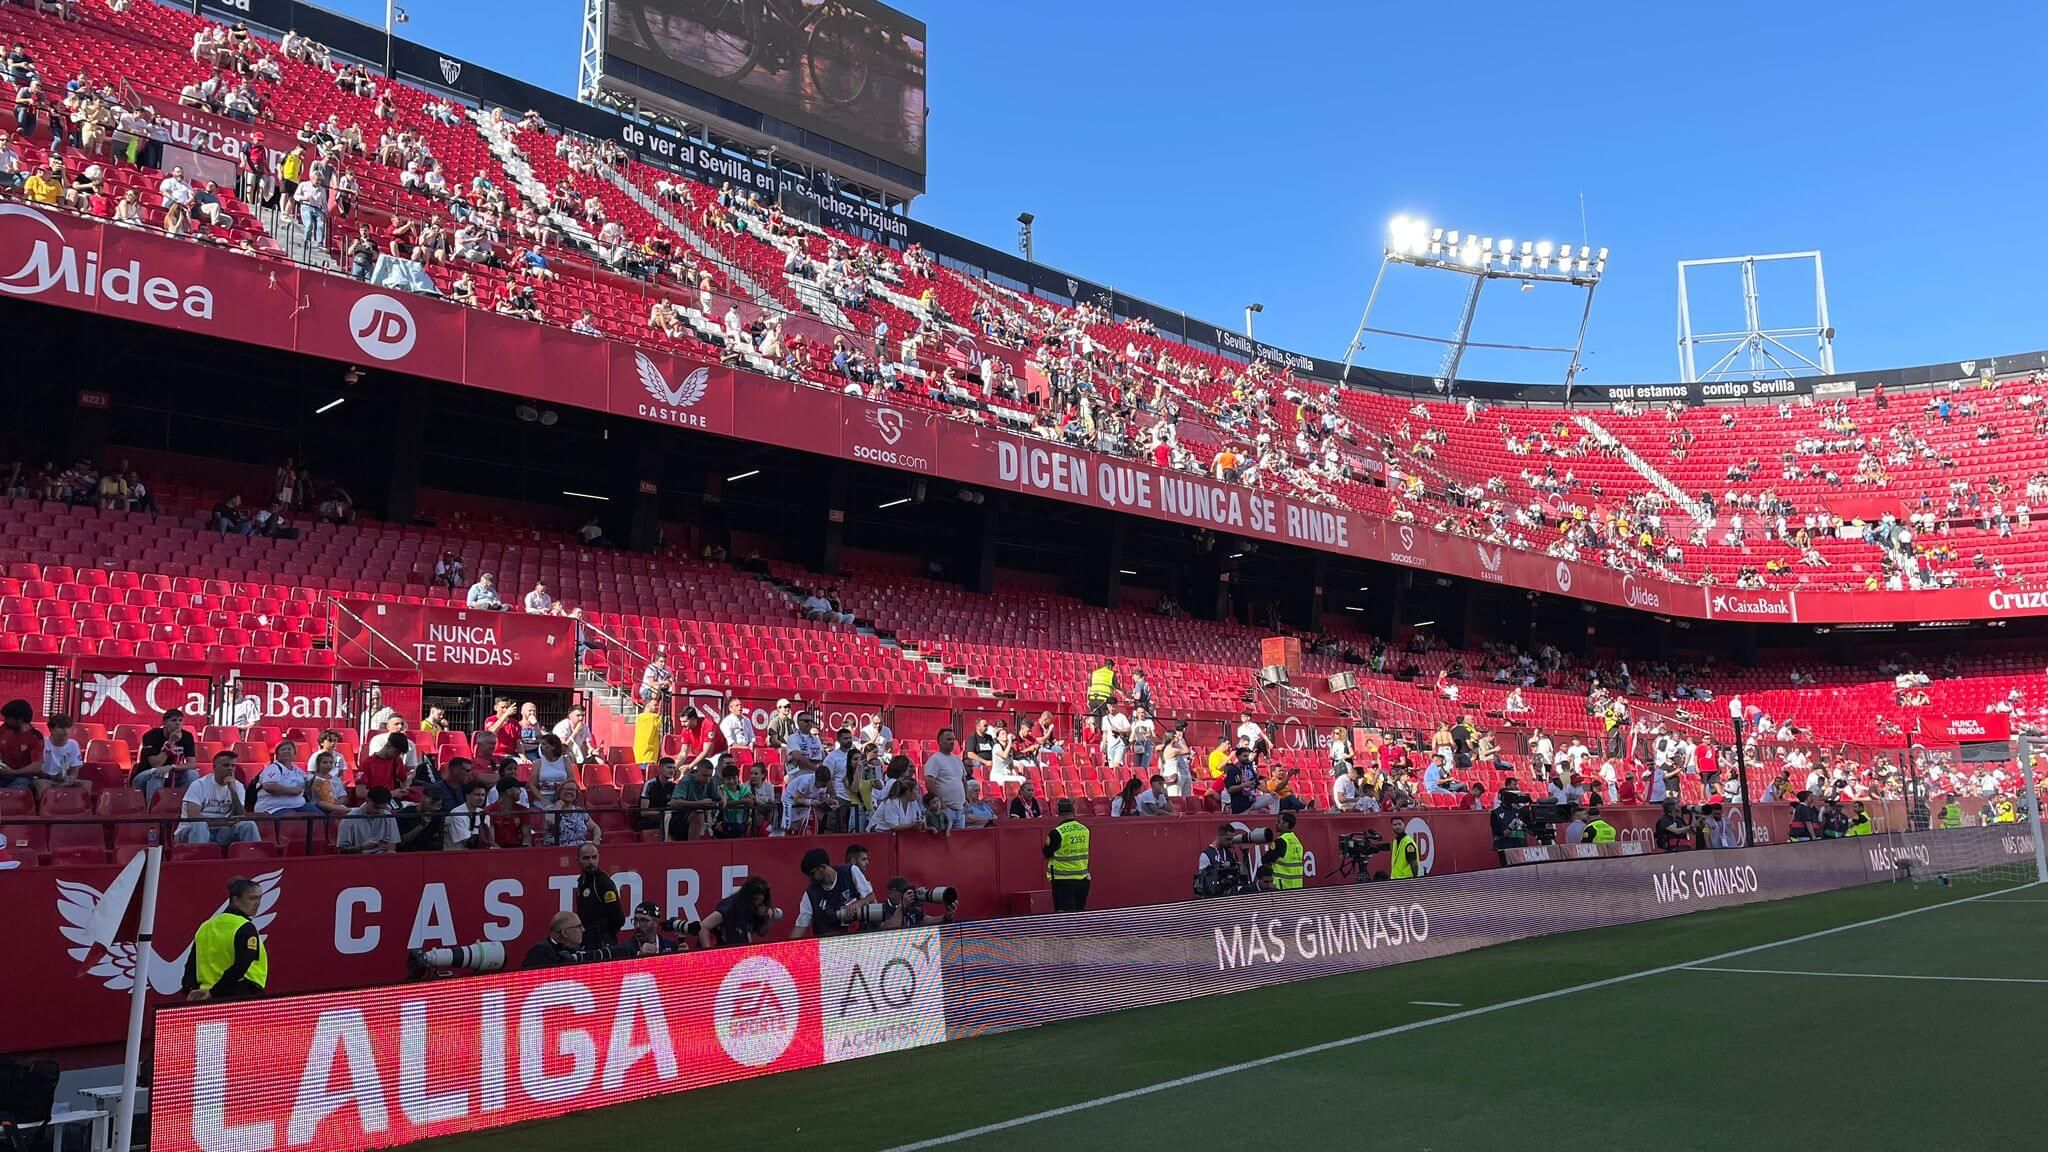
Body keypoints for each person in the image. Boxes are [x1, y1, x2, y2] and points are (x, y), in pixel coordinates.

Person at [181, 877, 269, 1001]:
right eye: (252, 898)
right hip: (240, 993)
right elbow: (241, 965)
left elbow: (191, 964)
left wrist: (190, 989)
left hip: (205, 995)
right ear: (235, 900)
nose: (258, 903)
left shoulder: (206, 925)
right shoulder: (245, 927)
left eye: (259, 898)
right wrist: (215, 992)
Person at [177, 752, 263, 846]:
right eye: (226, 765)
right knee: (200, 825)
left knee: (249, 824)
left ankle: (254, 857)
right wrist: (223, 822)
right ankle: (199, 859)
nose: (230, 768)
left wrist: (233, 792)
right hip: (191, 830)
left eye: (233, 766)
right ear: (214, 767)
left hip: (221, 831)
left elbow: (240, 816)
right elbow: (193, 817)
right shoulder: (199, 785)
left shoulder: (237, 786)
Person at [790, 847, 875, 939]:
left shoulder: (850, 871)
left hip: (856, 939)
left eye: (812, 874)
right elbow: (801, 925)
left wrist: (858, 904)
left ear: (822, 868)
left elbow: (871, 897)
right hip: (827, 944)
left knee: (877, 912)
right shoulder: (810, 894)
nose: (810, 878)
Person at [134, 708, 198, 803]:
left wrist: (171, 767)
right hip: (146, 773)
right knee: (158, 774)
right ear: (164, 723)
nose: (177, 723)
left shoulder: (187, 736)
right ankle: (154, 812)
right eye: (173, 720)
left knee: (193, 774)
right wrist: (171, 742)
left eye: (180, 720)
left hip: (171, 772)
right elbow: (156, 764)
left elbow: (192, 764)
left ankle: (184, 807)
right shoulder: (151, 735)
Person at [699, 876, 777, 948]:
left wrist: (766, 918)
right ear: (748, 897)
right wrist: (708, 952)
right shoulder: (730, 908)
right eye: (755, 900)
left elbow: (761, 932)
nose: (757, 904)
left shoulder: (754, 909)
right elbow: (703, 926)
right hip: (719, 952)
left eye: (760, 901)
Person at [1043, 798, 1091, 912]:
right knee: (1079, 915)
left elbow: (1046, 852)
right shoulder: (1085, 830)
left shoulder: (1057, 832)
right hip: (1083, 879)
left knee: (1065, 918)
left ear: (1059, 813)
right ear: (1073, 811)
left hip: (1063, 881)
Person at [573, 842, 624, 941]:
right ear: (578, 860)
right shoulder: (581, 881)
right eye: (586, 858)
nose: (591, 861)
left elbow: (619, 918)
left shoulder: (603, 883)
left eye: (594, 857)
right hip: (586, 940)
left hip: (603, 942)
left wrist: (604, 936)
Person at [923, 727, 968, 828]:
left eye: (953, 739)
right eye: (948, 739)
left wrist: (966, 799)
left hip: (960, 809)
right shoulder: (935, 760)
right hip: (945, 809)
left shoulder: (957, 760)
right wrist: (940, 803)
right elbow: (929, 781)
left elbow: (963, 780)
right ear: (939, 742)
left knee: (959, 841)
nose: (952, 742)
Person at [335, 787, 401, 854]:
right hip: (358, 859)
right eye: (376, 808)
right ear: (367, 800)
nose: (380, 811)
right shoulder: (349, 819)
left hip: (381, 858)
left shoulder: (388, 816)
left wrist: (387, 848)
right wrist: (362, 847)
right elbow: (341, 851)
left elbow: (392, 846)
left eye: (383, 808)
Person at [521, 911, 597, 968]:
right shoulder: (540, 952)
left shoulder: (576, 948)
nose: (583, 930)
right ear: (564, 932)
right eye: (578, 927)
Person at [0, 699, 44, 791]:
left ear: (20, 719)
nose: (5, 720)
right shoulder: (4, 729)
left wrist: (13, 772)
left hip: (22, 777)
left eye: (8, 718)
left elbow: (36, 767)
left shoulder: (35, 737)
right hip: (2, 774)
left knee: (17, 789)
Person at [1271, 809, 1306, 889]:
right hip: (1297, 886)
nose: (1276, 823)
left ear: (1286, 824)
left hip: (1282, 886)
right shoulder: (1297, 841)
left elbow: (1266, 860)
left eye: (1279, 821)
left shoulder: (1280, 842)